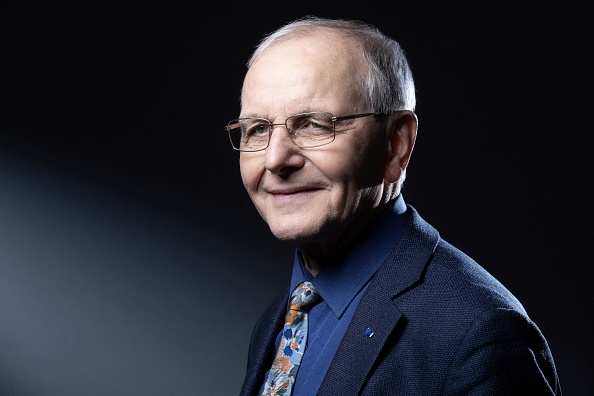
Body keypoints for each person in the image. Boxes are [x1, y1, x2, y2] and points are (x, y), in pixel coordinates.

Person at [226, 16, 562, 396]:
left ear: (396, 145)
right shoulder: (281, 318)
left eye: (314, 125)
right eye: (257, 129)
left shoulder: (478, 333)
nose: (275, 160)